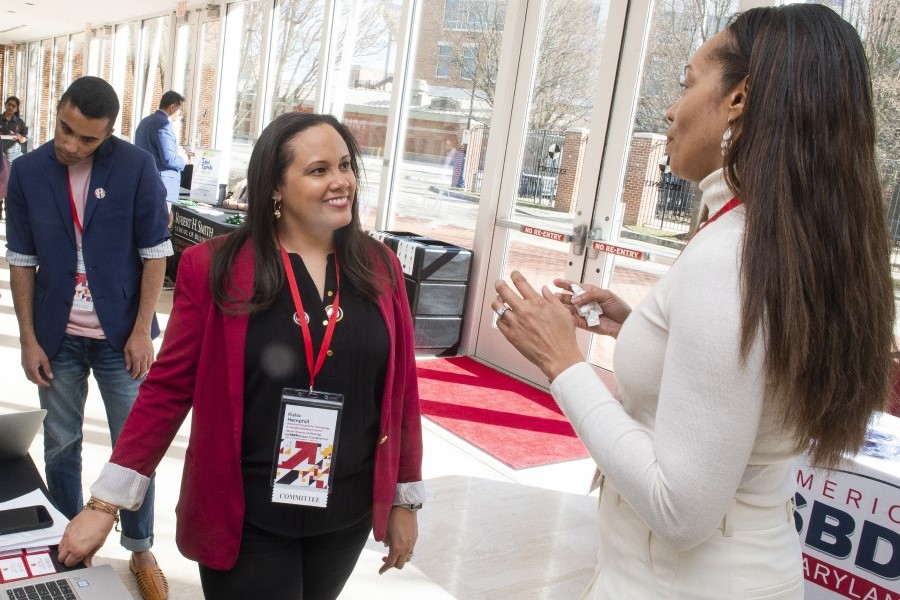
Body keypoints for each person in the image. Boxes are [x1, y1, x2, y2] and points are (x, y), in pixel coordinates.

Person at [491, 5, 894, 598]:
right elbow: (746, 379)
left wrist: (563, 362)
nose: (671, 110)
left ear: (739, 100)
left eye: (686, 83)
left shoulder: (733, 258)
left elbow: (679, 510)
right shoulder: (787, 242)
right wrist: (641, 326)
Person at [57, 112, 425, 600]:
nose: (341, 182)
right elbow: (168, 390)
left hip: (346, 510)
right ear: (274, 185)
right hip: (245, 514)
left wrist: (406, 499)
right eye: (319, 170)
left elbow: (402, 393)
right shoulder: (215, 267)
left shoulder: (379, 268)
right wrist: (105, 503)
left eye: (345, 165)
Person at [4, 76, 172, 600]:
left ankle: (140, 545)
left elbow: (154, 253)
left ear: (110, 134)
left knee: (133, 447)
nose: (71, 145)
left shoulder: (136, 166)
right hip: (57, 337)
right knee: (62, 444)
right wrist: (28, 338)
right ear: (56, 111)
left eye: (87, 139)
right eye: (64, 129)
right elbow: (23, 262)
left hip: (122, 336)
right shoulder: (28, 172)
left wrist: (143, 330)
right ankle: (72, 543)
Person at [134, 90, 192, 208]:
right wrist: (185, 160)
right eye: (180, 110)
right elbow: (169, 159)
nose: (180, 115)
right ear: (172, 107)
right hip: (161, 186)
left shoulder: (145, 122)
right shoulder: (163, 125)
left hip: (144, 182)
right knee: (159, 224)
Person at [0, 95, 28, 220]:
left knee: (9, 184)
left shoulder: (19, 123)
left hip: (12, 157)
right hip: (1, 156)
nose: (10, 107)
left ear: (16, 108)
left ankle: (8, 212)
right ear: (5, 105)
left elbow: (24, 139)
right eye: (8, 104)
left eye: (13, 106)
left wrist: (21, 138)